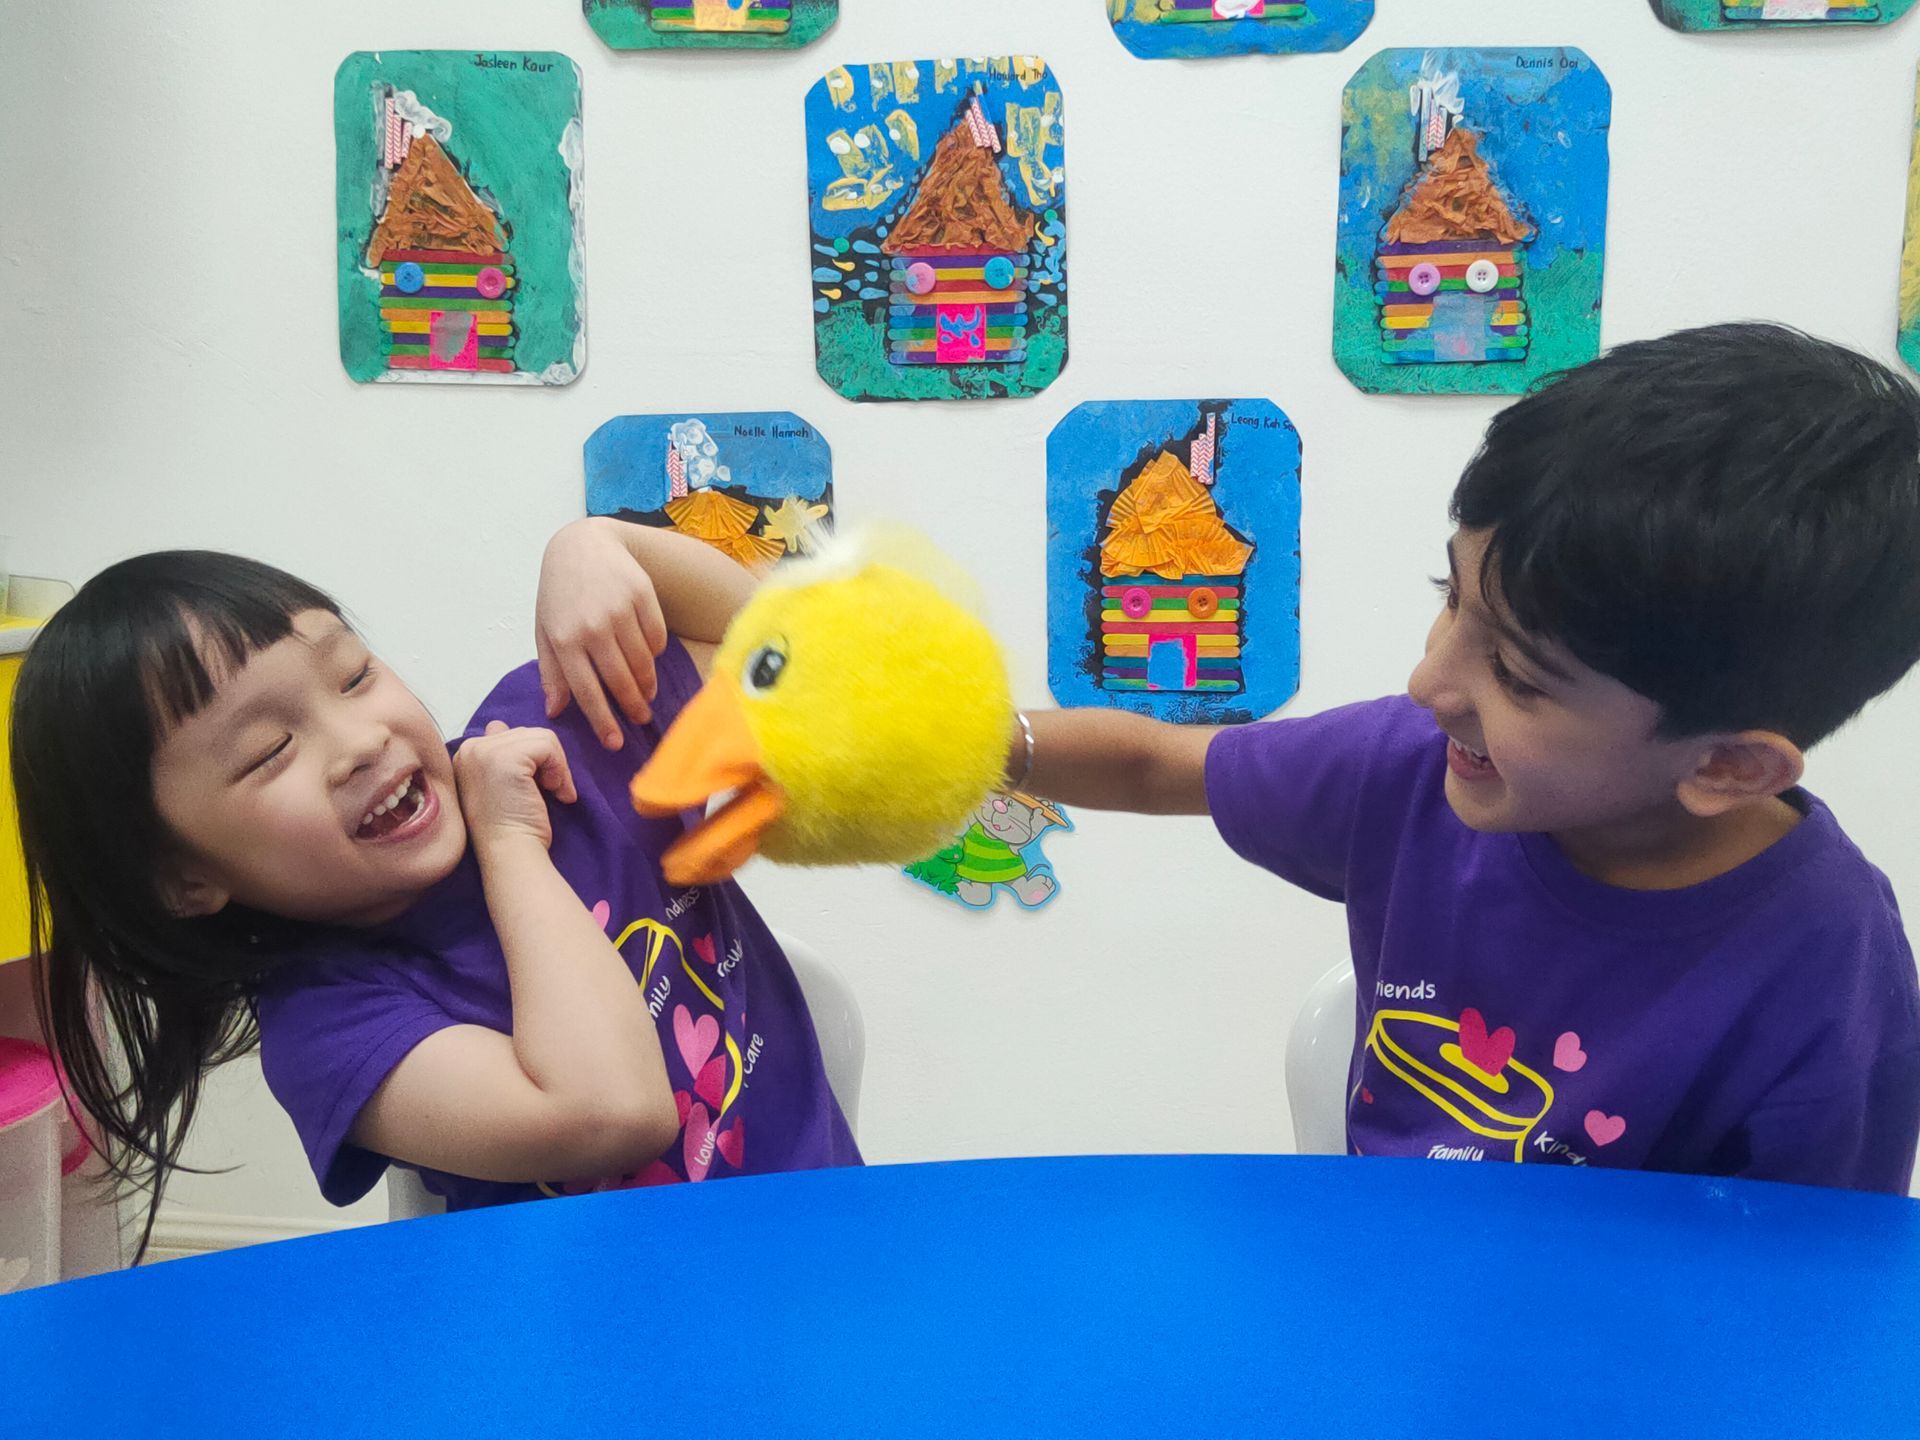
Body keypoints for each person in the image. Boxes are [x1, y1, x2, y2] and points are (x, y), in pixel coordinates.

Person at [1010, 325, 1920, 1191]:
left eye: (1518, 675)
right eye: (1452, 596)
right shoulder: (1410, 765)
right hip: (1388, 1297)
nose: (1428, 683)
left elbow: (1815, 1287)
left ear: (1727, 766)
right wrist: (957, 743)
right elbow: (1151, 765)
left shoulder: (1831, 967)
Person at [12, 519, 859, 1255]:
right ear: (186, 880)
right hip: (611, 1353)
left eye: (353, 676)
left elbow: (785, 653)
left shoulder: (552, 740)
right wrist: (510, 846)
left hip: (832, 1248)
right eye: (269, 752)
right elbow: (611, 1110)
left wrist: (600, 545)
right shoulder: (333, 1024)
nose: (357, 741)